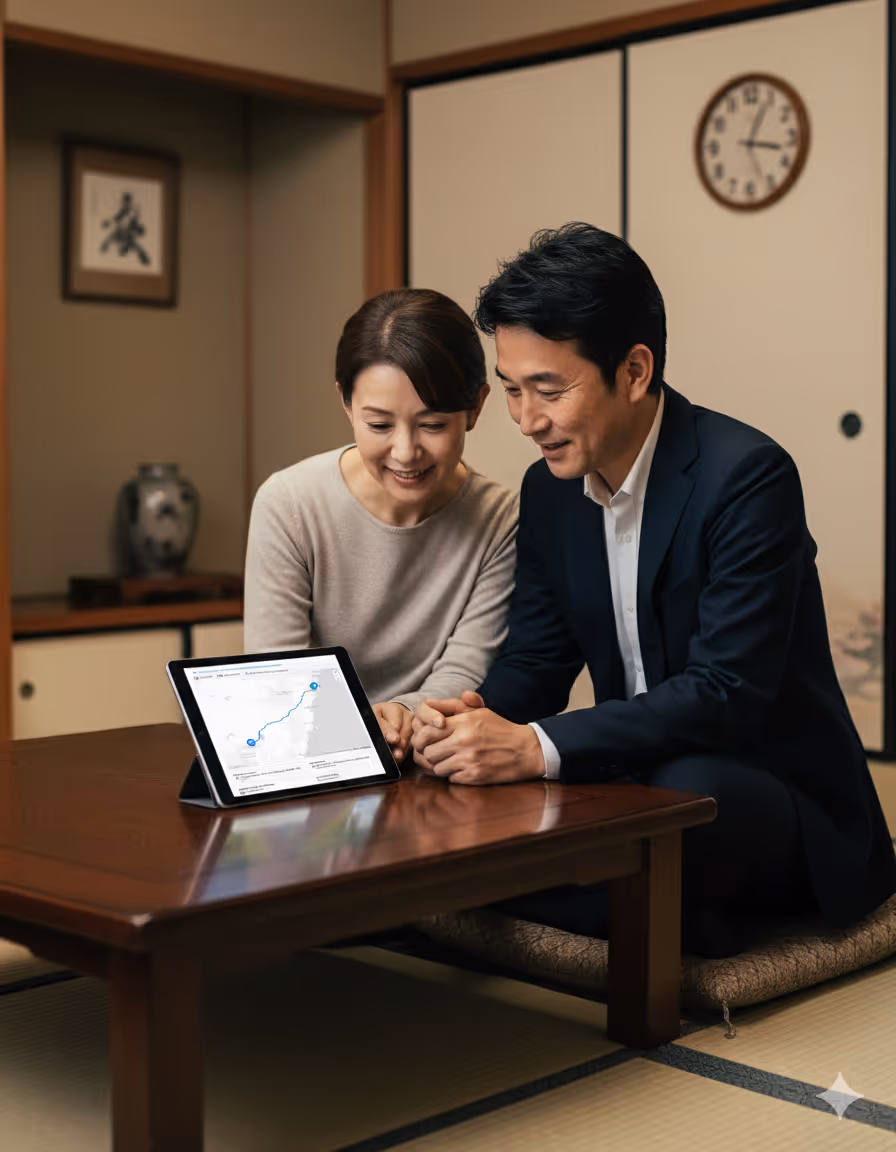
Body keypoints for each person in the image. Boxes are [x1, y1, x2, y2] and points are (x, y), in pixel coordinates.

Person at [412, 223, 896, 957]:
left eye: (548, 389)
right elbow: (537, 663)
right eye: (511, 390)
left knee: (681, 790)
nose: (525, 420)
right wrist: (464, 727)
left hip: (773, 789)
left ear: (634, 372)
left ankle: (578, 901)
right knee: (502, 798)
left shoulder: (747, 477)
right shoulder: (548, 493)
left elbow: (727, 692)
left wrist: (534, 748)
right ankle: (658, 914)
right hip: (637, 778)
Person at [244, 288, 518, 767]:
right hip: (307, 759)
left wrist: (399, 716)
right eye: (379, 425)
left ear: (475, 407)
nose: (405, 452)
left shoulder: (499, 518)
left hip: (432, 757)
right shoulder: (289, 504)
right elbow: (279, 677)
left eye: (432, 425)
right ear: (346, 403)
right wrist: (360, 723)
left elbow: (464, 672)